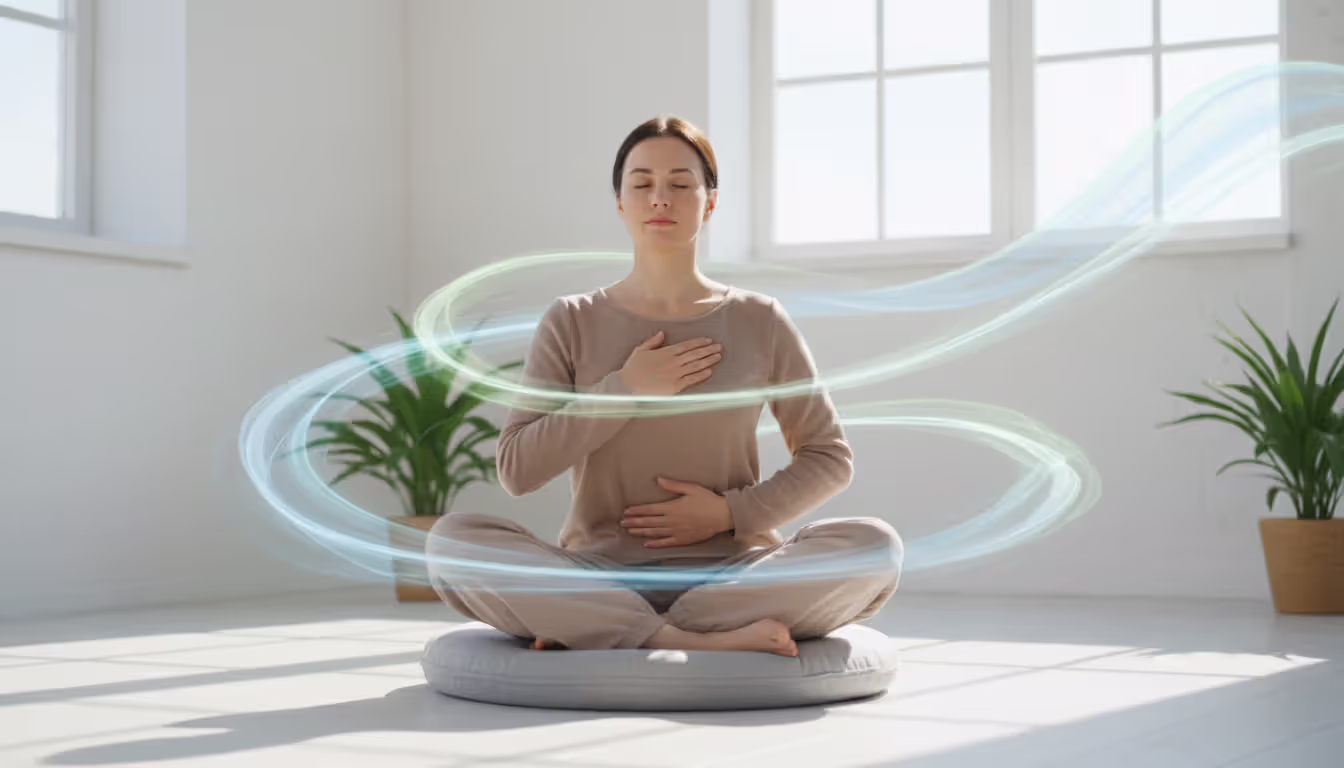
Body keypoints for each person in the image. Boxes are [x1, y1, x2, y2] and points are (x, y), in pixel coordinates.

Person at [427, 116, 901, 657]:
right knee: (454, 541)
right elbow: (517, 470)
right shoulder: (572, 319)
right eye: (642, 183)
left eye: (680, 184)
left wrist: (730, 514)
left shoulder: (759, 319)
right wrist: (624, 390)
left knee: (875, 546)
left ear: (710, 202)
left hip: (732, 576)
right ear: (620, 202)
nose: (660, 198)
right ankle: (680, 637)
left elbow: (828, 457)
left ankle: (607, 629)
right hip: (598, 574)